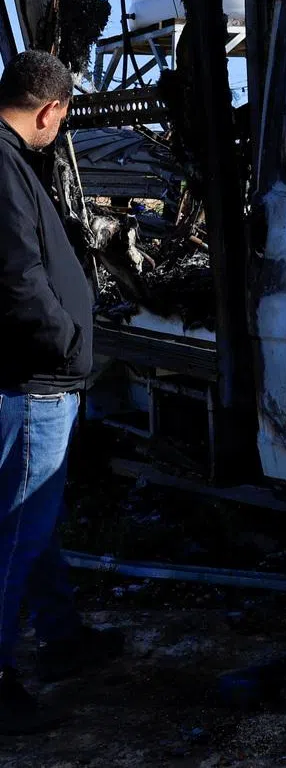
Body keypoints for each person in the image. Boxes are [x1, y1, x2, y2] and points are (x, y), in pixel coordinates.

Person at [0, 51, 123, 732]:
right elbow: (18, 277)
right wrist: (70, 344)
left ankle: (61, 637)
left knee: (34, 524)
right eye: (60, 120)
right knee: (19, 531)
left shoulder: (12, 162)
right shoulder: (3, 166)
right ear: (49, 109)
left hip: (35, 378)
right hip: (36, 381)